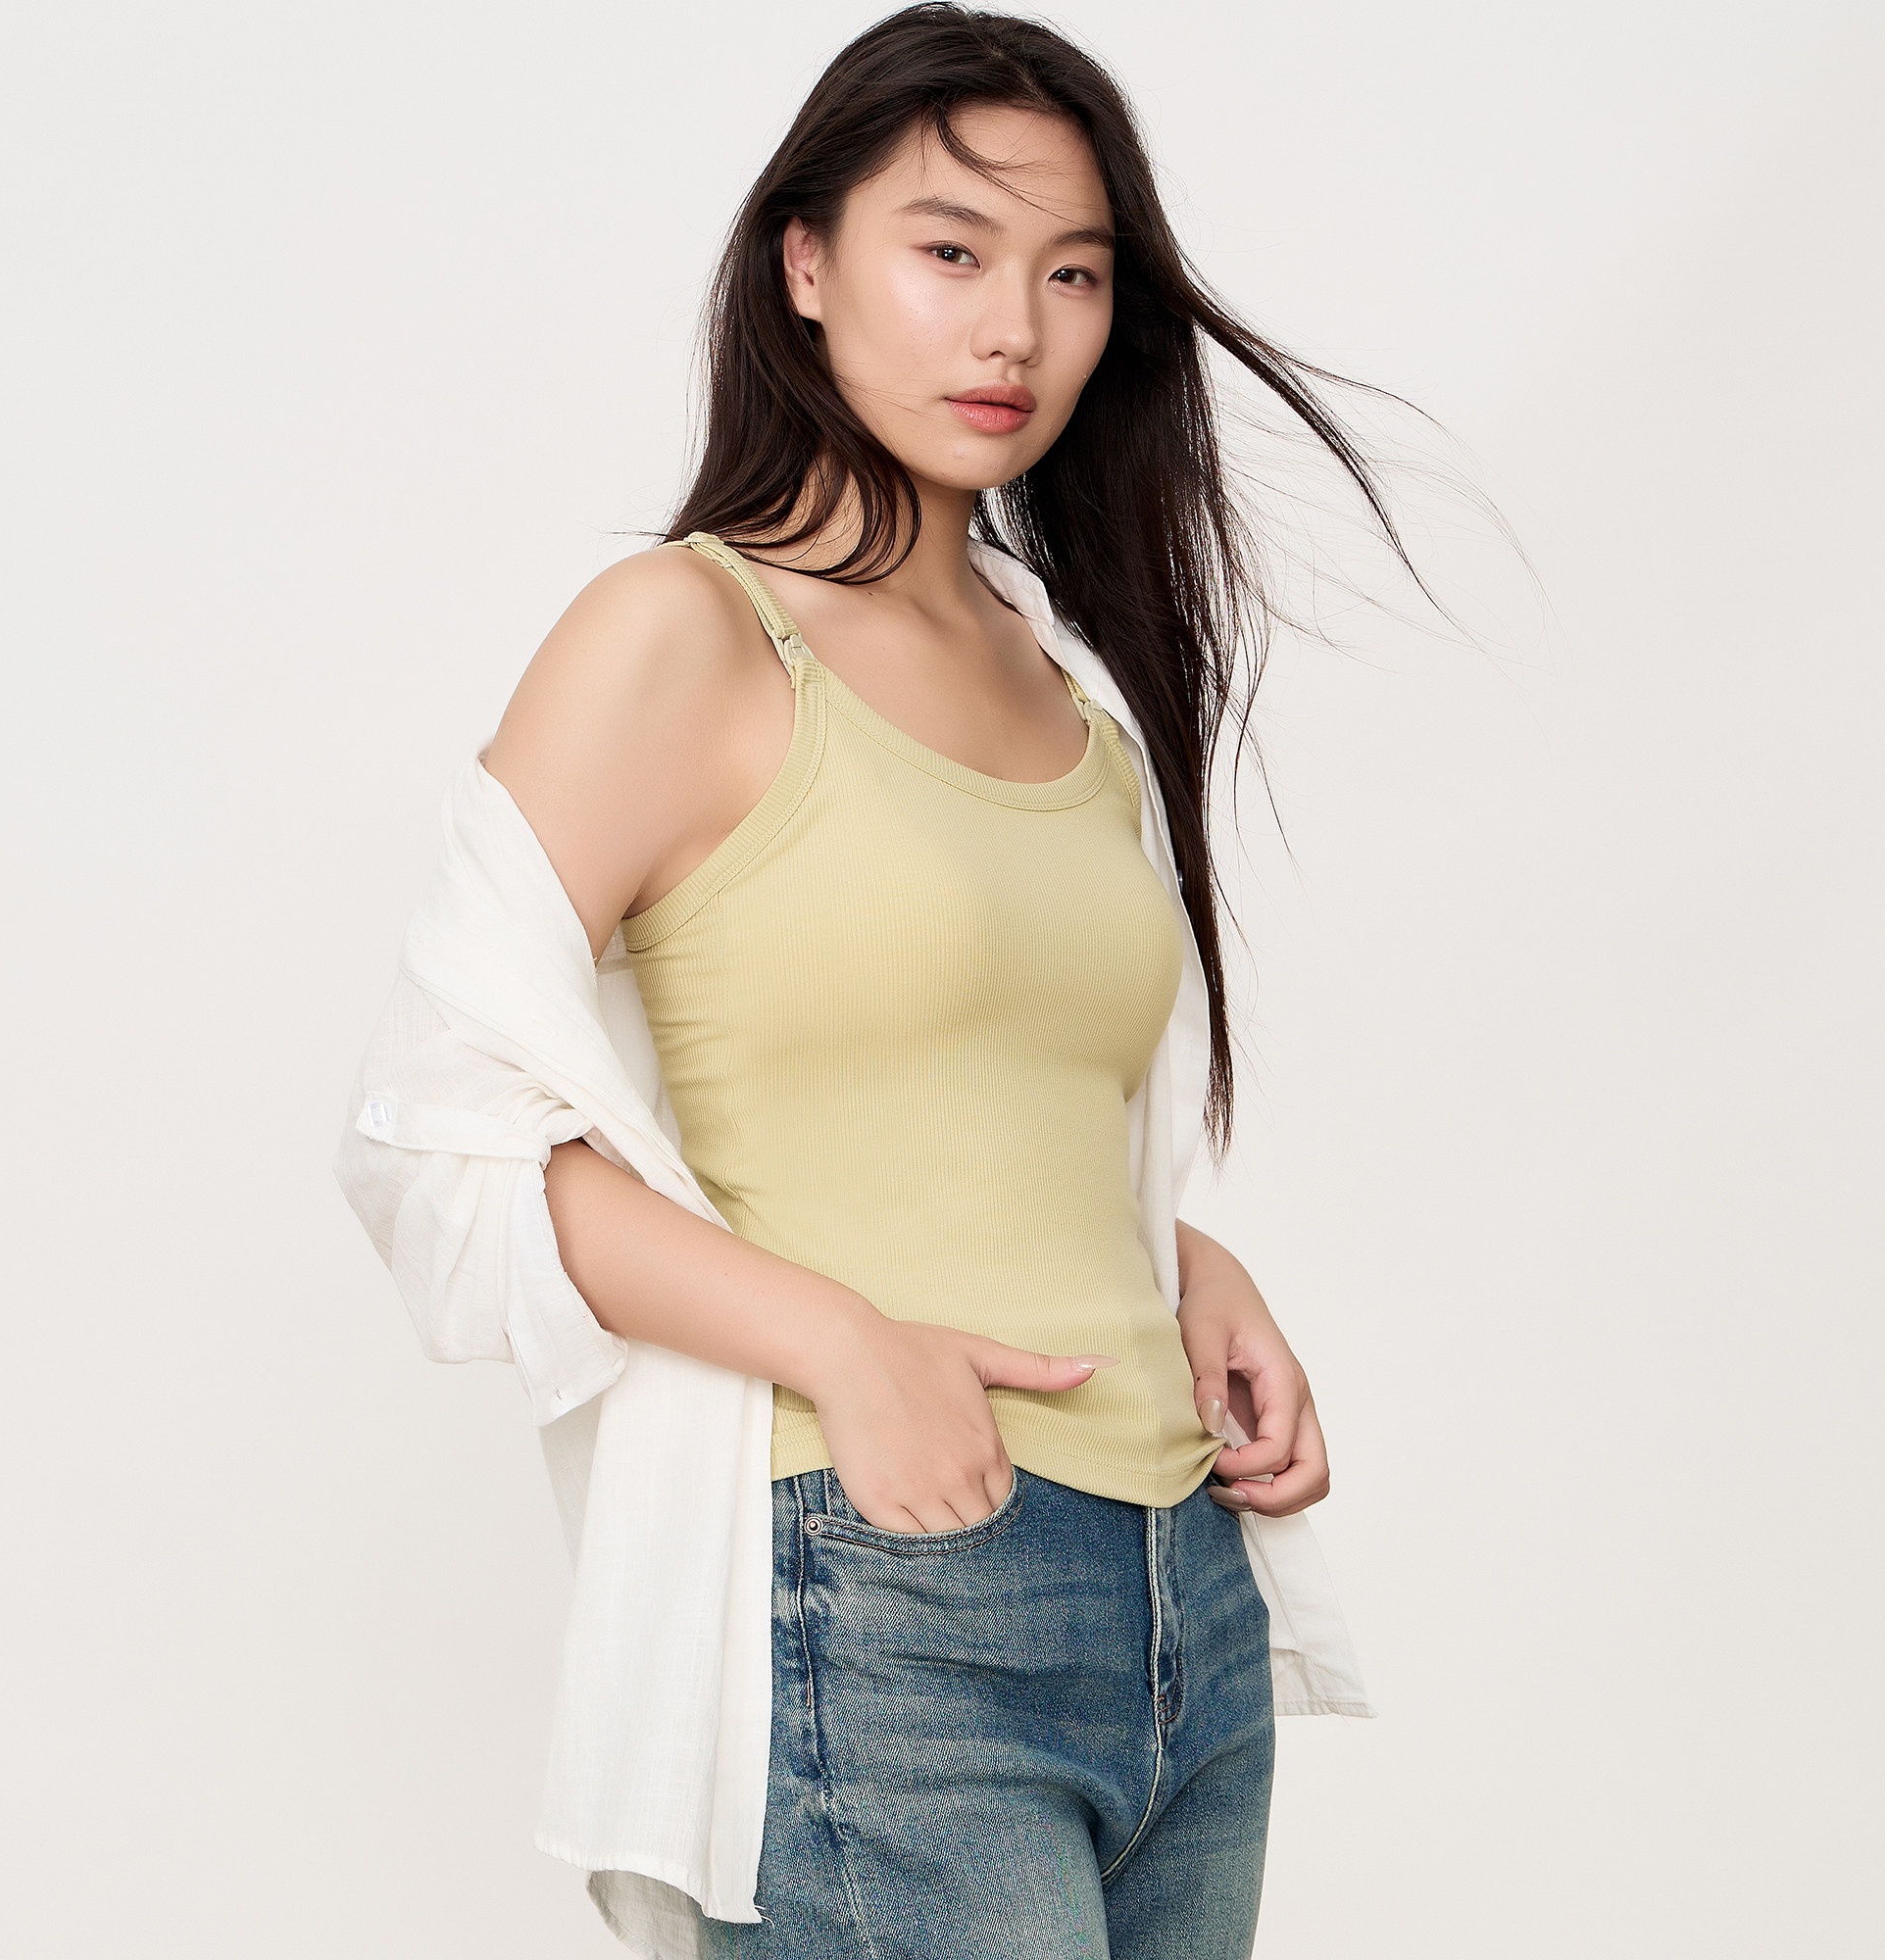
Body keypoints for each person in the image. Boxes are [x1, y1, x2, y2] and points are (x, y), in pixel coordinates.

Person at [337, 7, 1413, 1955]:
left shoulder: (1065, 678)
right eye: (950, 250)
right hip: (894, 1592)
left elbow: (967, 1102)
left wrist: (1185, 1260)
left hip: (1184, 1593)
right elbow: (434, 1138)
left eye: (1071, 273)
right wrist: (843, 1344)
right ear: (807, 266)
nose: (1014, 329)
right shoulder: (683, 632)